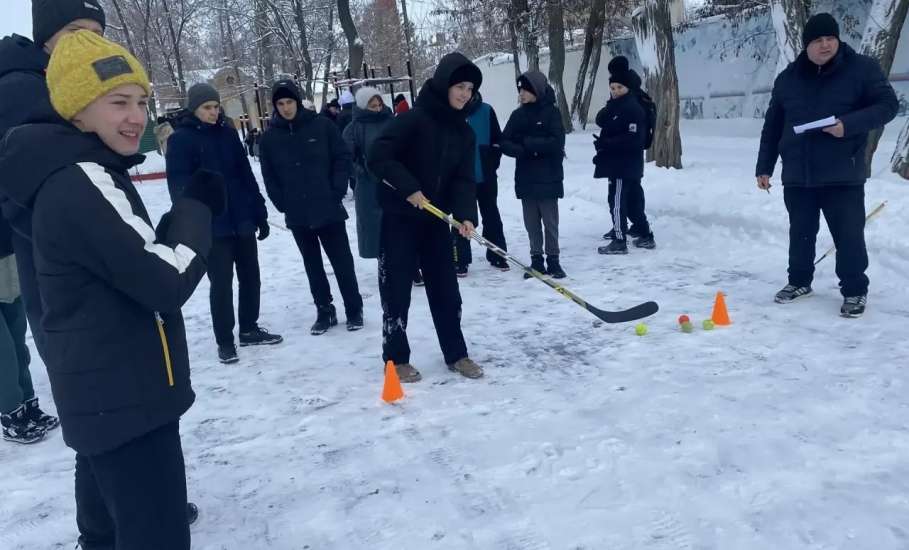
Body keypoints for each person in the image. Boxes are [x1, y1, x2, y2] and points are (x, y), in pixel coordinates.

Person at [0, 31, 223, 550]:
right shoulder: (79, 177)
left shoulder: (64, 168)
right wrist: (198, 210)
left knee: (104, 532)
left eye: (142, 101)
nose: (136, 117)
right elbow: (164, 282)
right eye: (118, 102)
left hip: (101, 392)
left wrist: (177, 215)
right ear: (76, 110)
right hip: (127, 399)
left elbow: (127, 259)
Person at [755, 13, 898, 318]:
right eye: (818, 40)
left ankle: (855, 290)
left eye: (830, 39)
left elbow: (888, 106)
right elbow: (773, 126)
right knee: (801, 233)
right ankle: (799, 282)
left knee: (848, 236)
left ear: (838, 40)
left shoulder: (861, 69)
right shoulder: (788, 79)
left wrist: (848, 125)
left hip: (842, 173)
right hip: (798, 173)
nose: (825, 45)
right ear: (806, 45)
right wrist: (764, 166)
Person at [0, 0, 106, 368]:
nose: (90, 45)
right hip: (54, 260)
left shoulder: (66, 81)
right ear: (47, 38)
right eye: (77, 33)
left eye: (98, 35)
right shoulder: (23, 89)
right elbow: (32, 192)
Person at [368, 52, 484, 382]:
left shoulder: (464, 133)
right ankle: (396, 359)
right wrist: (408, 188)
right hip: (400, 218)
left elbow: (463, 179)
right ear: (445, 84)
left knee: (446, 290)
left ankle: (457, 354)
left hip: (435, 220)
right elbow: (378, 156)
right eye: (459, 86)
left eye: (470, 88)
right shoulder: (413, 120)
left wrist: (464, 216)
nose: (465, 93)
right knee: (397, 291)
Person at [167, 83, 282, 363]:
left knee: (250, 276)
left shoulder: (228, 134)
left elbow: (245, 175)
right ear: (194, 109)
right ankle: (225, 340)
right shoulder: (180, 140)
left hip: (241, 218)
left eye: (216, 107)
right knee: (221, 283)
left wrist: (259, 212)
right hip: (212, 225)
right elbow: (179, 186)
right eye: (207, 107)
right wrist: (194, 222)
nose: (213, 112)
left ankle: (249, 328)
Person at [259, 80, 363, 334]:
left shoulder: (322, 125)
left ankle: (353, 308)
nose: (285, 108)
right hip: (297, 213)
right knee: (312, 265)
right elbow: (268, 173)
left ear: (298, 101)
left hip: (327, 207)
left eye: (289, 102)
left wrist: (337, 189)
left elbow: (341, 157)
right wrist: (280, 201)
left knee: (342, 262)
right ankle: (324, 310)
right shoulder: (270, 138)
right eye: (280, 103)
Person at [500, 70, 567, 279]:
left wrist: (528, 144)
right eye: (520, 90)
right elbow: (505, 142)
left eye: (525, 90)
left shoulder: (552, 113)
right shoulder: (517, 115)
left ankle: (553, 260)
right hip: (526, 178)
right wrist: (520, 150)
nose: (521, 94)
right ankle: (536, 260)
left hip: (549, 177)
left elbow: (556, 142)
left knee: (550, 222)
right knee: (531, 223)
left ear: (536, 90)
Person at [0, 219, 58, 444]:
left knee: (17, 341)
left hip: (9, 261)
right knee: (3, 351)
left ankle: (27, 404)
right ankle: (11, 413)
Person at [594, 56, 653, 255]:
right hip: (626, 163)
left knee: (617, 200)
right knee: (633, 198)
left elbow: (632, 138)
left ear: (626, 85)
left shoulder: (632, 105)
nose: (615, 91)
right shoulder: (621, 102)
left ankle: (620, 239)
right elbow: (602, 120)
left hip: (623, 164)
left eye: (619, 87)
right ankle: (644, 233)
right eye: (613, 88)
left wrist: (606, 143)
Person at [451, 91, 509, 276]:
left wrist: (491, 162)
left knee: (491, 215)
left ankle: (497, 254)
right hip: (460, 179)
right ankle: (460, 259)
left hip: (485, 176)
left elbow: (497, 141)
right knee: (460, 219)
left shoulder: (486, 110)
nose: (465, 94)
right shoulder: (451, 112)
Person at [342, 86, 393, 260]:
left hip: (394, 181)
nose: (378, 108)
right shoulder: (353, 128)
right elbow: (345, 157)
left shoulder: (391, 121)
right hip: (368, 185)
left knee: (397, 223)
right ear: (364, 106)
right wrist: (360, 171)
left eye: (379, 104)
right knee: (373, 225)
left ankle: (410, 264)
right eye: (373, 105)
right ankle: (382, 259)